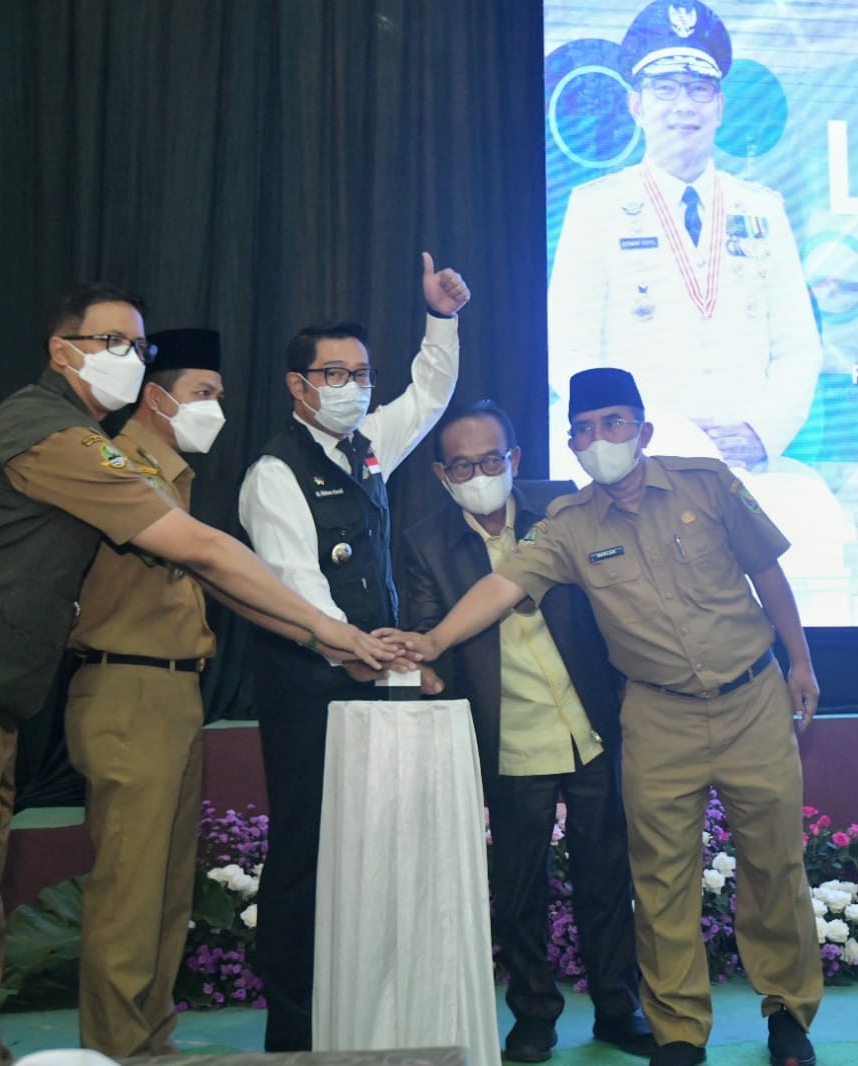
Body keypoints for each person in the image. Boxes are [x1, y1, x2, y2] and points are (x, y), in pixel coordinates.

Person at [0, 285, 393, 1064]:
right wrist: (330, 626)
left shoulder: (81, 439)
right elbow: (207, 554)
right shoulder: (55, 436)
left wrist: (330, 640)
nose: (127, 359)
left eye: (137, 347)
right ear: (61, 350)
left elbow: (213, 578)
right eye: (111, 343)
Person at [386, 369, 825, 1066]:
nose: (601, 439)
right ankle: (679, 1029)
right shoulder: (567, 525)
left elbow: (766, 571)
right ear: (570, 441)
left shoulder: (707, 483)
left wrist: (799, 662)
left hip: (751, 700)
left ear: (643, 430)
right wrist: (434, 640)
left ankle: (786, 1014)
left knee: (773, 866)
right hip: (657, 716)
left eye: (615, 423)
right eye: (585, 429)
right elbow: (501, 586)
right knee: (660, 880)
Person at [238, 253, 470, 1051]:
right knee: (306, 849)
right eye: (332, 373)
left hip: (376, 682)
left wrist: (440, 318)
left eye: (360, 372)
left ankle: (366, 1010)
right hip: (312, 685)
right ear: (297, 386)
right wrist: (362, 651)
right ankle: (294, 1027)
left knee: (372, 845)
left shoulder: (366, 444)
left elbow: (430, 396)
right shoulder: (273, 471)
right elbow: (297, 586)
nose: (351, 385)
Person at [400, 401, 654, 1062]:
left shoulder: (563, 508)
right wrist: (426, 673)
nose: (480, 473)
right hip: (507, 730)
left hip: (588, 722)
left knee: (605, 874)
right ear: (440, 472)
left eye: (492, 460)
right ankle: (533, 1011)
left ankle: (615, 1005)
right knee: (519, 885)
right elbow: (432, 635)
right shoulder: (425, 542)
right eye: (463, 465)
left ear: (513, 458)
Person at [547, 0, 822, 477]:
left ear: (719, 107)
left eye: (699, 89)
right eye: (665, 88)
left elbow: (798, 347)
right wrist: (635, 431)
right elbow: (568, 349)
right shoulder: (597, 208)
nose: (683, 106)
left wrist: (761, 432)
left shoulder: (763, 210)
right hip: (633, 463)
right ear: (637, 105)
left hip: (743, 466)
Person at [60, 327, 233, 1056]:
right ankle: (115, 1049)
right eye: (204, 394)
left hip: (173, 691)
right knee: (129, 896)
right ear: (157, 397)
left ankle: (149, 1040)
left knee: (166, 893)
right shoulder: (121, 464)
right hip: (126, 687)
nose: (215, 410)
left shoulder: (175, 475)